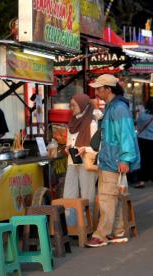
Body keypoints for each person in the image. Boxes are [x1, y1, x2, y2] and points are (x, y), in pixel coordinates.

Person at [85, 74, 140, 248]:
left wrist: (125, 158)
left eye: (99, 88)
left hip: (114, 159)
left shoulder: (117, 108)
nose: (96, 91)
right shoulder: (113, 106)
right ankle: (118, 232)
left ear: (108, 89)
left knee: (107, 198)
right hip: (111, 158)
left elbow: (126, 135)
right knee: (112, 197)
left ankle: (101, 235)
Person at [63, 94, 99, 225]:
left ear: (83, 105)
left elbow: (98, 146)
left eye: (74, 105)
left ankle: (87, 227)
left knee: (87, 195)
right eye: (71, 104)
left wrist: (85, 149)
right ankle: (71, 227)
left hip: (86, 161)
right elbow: (69, 141)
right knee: (69, 193)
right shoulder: (72, 121)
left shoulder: (92, 122)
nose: (71, 107)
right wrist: (67, 147)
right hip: (73, 160)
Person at [134, 97, 153, 188]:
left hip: (144, 140)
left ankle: (142, 180)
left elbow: (138, 127)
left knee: (143, 161)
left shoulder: (142, 115)